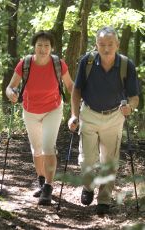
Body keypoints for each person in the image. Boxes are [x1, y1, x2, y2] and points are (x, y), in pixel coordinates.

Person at [68, 26, 140, 215]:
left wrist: (129, 107)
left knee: (109, 161)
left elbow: (134, 97)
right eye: (101, 45)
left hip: (114, 116)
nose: (106, 49)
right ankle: (88, 186)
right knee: (87, 161)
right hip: (89, 114)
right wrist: (74, 115)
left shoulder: (126, 65)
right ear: (96, 45)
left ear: (117, 45)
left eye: (110, 44)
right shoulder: (88, 62)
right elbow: (76, 91)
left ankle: (104, 200)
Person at [6, 30, 73, 205]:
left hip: (53, 109)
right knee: (36, 149)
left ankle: (49, 188)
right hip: (30, 110)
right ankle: (42, 181)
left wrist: (78, 104)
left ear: (51, 47)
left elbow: (70, 86)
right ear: (34, 47)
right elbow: (10, 87)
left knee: (48, 147)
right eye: (39, 45)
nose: (43, 49)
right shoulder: (25, 63)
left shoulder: (58, 64)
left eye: (46, 46)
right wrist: (11, 93)